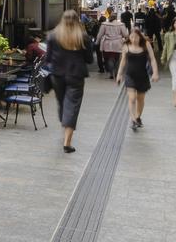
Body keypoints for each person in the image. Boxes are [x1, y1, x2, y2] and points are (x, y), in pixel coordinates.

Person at [46, 10, 94, 154]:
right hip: (76, 75)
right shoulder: (83, 37)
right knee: (72, 105)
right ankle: (67, 141)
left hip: (57, 75)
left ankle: (65, 124)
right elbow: (89, 59)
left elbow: (47, 58)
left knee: (62, 103)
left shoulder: (53, 36)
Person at [118, 30, 158, 132]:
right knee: (132, 98)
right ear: (129, 37)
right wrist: (119, 74)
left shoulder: (146, 44)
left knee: (140, 99)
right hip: (130, 75)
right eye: (132, 37)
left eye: (136, 37)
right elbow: (123, 61)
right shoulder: (126, 46)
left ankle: (137, 117)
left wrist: (155, 73)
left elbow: (152, 59)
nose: (134, 39)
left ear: (140, 37)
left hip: (143, 76)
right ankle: (133, 119)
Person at [96, 12, 128, 79]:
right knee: (117, 59)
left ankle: (111, 73)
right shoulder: (121, 25)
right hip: (118, 44)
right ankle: (116, 73)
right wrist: (127, 42)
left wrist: (97, 42)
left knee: (109, 59)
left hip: (107, 44)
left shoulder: (104, 24)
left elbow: (100, 35)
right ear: (116, 18)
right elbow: (125, 35)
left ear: (109, 17)